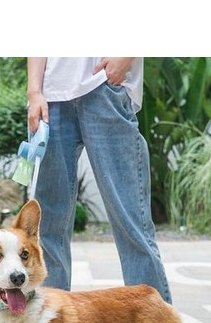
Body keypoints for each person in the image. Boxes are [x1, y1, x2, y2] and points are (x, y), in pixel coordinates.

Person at [27, 57, 172, 304]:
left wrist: (125, 57)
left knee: (131, 222)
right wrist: (34, 91)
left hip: (104, 87)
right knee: (47, 229)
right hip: (50, 98)